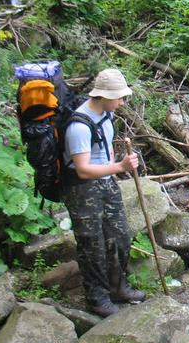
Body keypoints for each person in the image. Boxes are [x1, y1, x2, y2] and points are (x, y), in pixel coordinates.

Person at [62, 68, 146, 317]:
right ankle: (97, 297)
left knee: (119, 235)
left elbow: (106, 148)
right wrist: (120, 167)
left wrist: (114, 169)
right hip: (82, 188)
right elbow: (83, 169)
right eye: (118, 97)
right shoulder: (78, 126)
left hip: (106, 182)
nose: (122, 102)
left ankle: (118, 287)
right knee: (92, 243)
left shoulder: (107, 116)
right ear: (102, 96)